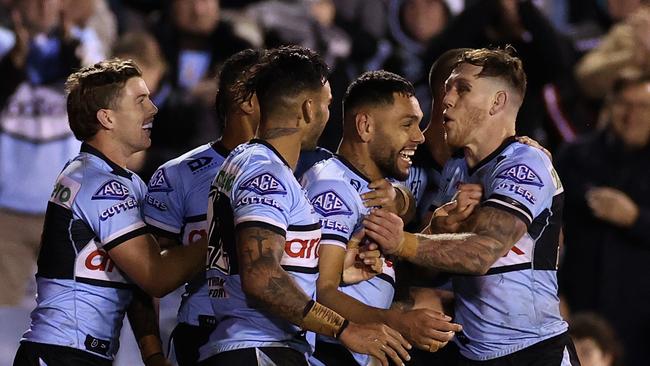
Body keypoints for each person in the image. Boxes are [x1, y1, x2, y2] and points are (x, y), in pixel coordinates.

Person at [361, 47, 579, 365]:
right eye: (447, 88)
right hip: (472, 353)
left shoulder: (525, 163)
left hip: (533, 352)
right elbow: (428, 269)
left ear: (497, 102)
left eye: (462, 89)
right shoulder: (456, 169)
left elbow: (482, 252)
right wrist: (434, 228)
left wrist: (403, 241)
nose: (447, 100)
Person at [199, 46, 411, 366]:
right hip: (257, 348)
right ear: (309, 109)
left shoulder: (245, 162)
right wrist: (344, 328)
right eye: (327, 104)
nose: (328, 115)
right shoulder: (265, 172)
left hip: (255, 346)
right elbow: (261, 275)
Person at [13, 59, 206, 365]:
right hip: (61, 354)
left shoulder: (128, 183)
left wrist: (152, 353)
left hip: (82, 355)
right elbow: (155, 274)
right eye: (140, 101)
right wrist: (224, 234)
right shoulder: (95, 182)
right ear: (107, 118)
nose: (153, 109)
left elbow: (139, 281)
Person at [302, 70, 462, 366]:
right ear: (365, 127)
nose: (420, 136)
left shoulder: (370, 186)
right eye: (407, 125)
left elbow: (404, 201)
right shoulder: (332, 191)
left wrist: (402, 201)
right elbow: (320, 292)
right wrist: (398, 321)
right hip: (330, 354)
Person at [143, 48, 264, 366]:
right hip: (201, 336)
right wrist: (152, 353)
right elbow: (148, 276)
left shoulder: (307, 171)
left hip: (278, 338)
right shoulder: (177, 175)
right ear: (244, 99)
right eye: (280, 93)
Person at [557, 73, 650, 365]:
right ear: (609, 107)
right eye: (623, 104)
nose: (631, 114)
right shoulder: (575, 156)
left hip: (642, 319)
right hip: (582, 309)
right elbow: (547, 230)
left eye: (643, 106)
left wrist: (635, 218)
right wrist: (554, 295)